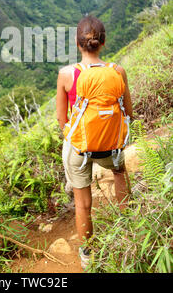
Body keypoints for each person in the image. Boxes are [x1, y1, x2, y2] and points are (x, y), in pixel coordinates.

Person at [56, 15, 133, 270]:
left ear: (78, 43)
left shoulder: (67, 74)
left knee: (82, 203)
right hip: (111, 144)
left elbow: (62, 119)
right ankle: (129, 234)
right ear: (103, 42)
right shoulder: (117, 72)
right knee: (120, 174)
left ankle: (88, 257)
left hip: (79, 148)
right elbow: (128, 113)